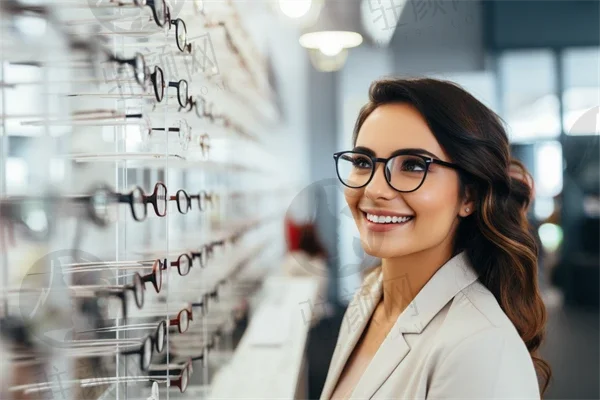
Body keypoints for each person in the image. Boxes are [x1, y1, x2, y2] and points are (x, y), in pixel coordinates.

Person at [321, 78, 551, 399]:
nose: (374, 189)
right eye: (363, 162)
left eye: (413, 165)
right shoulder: (370, 296)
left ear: (469, 195)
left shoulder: (481, 347)